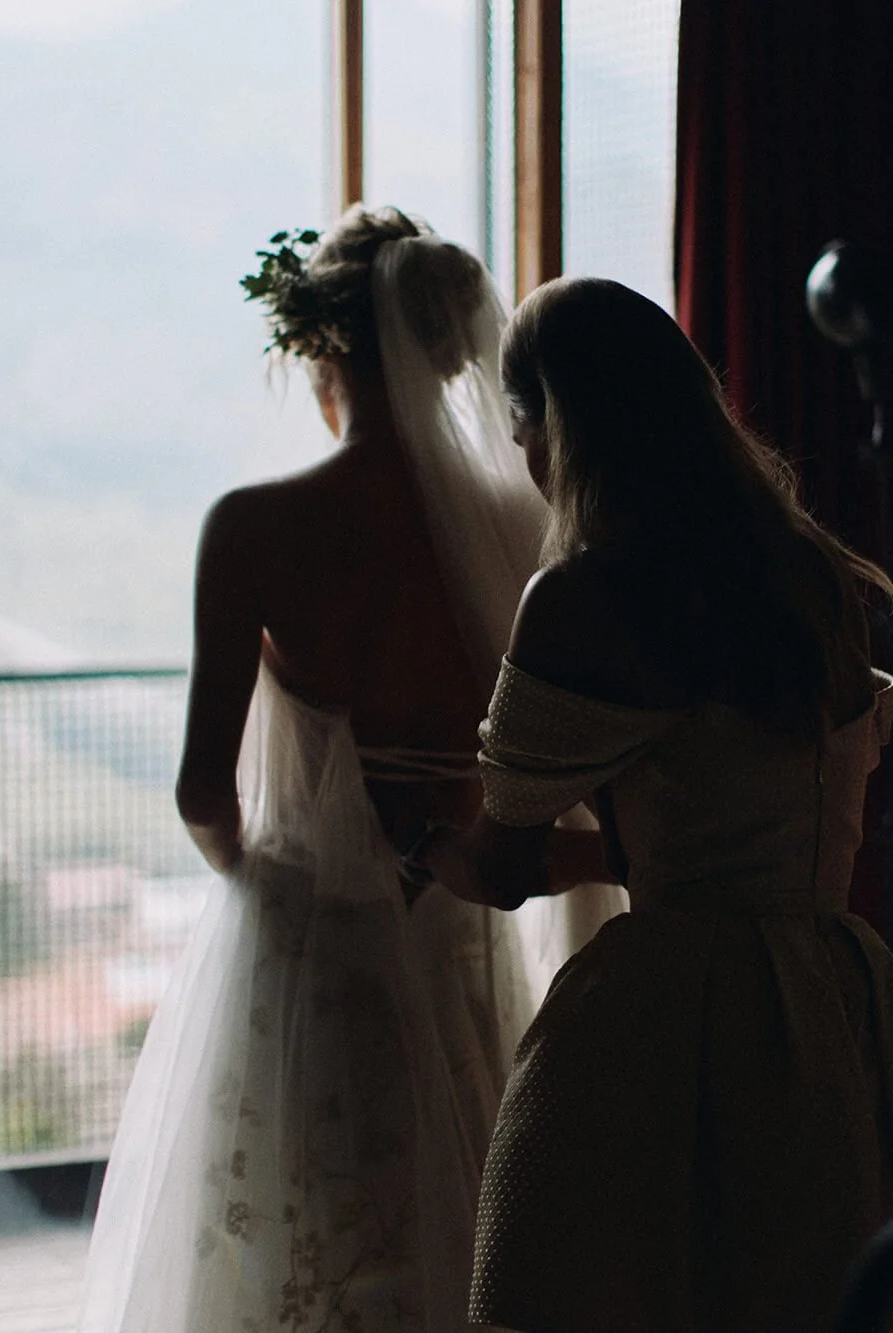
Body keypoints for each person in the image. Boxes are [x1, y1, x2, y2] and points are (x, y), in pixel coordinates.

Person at [412, 276, 893, 1332]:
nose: (524, 467)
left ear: (554, 425)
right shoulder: (812, 576)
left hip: (668, 1016)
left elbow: (508, 863)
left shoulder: (582, 596)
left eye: (522, 437)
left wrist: (424, 841)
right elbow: (732, 823)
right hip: (837, 994)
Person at [78, 208, 599, 1333]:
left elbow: (200, 795)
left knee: (304, 1244)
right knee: (461, 1231)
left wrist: (264, 874)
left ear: (323, 347)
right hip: (461, 926)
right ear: (449, 350)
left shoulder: (257, 527)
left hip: (315, 942)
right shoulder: (517, 524)